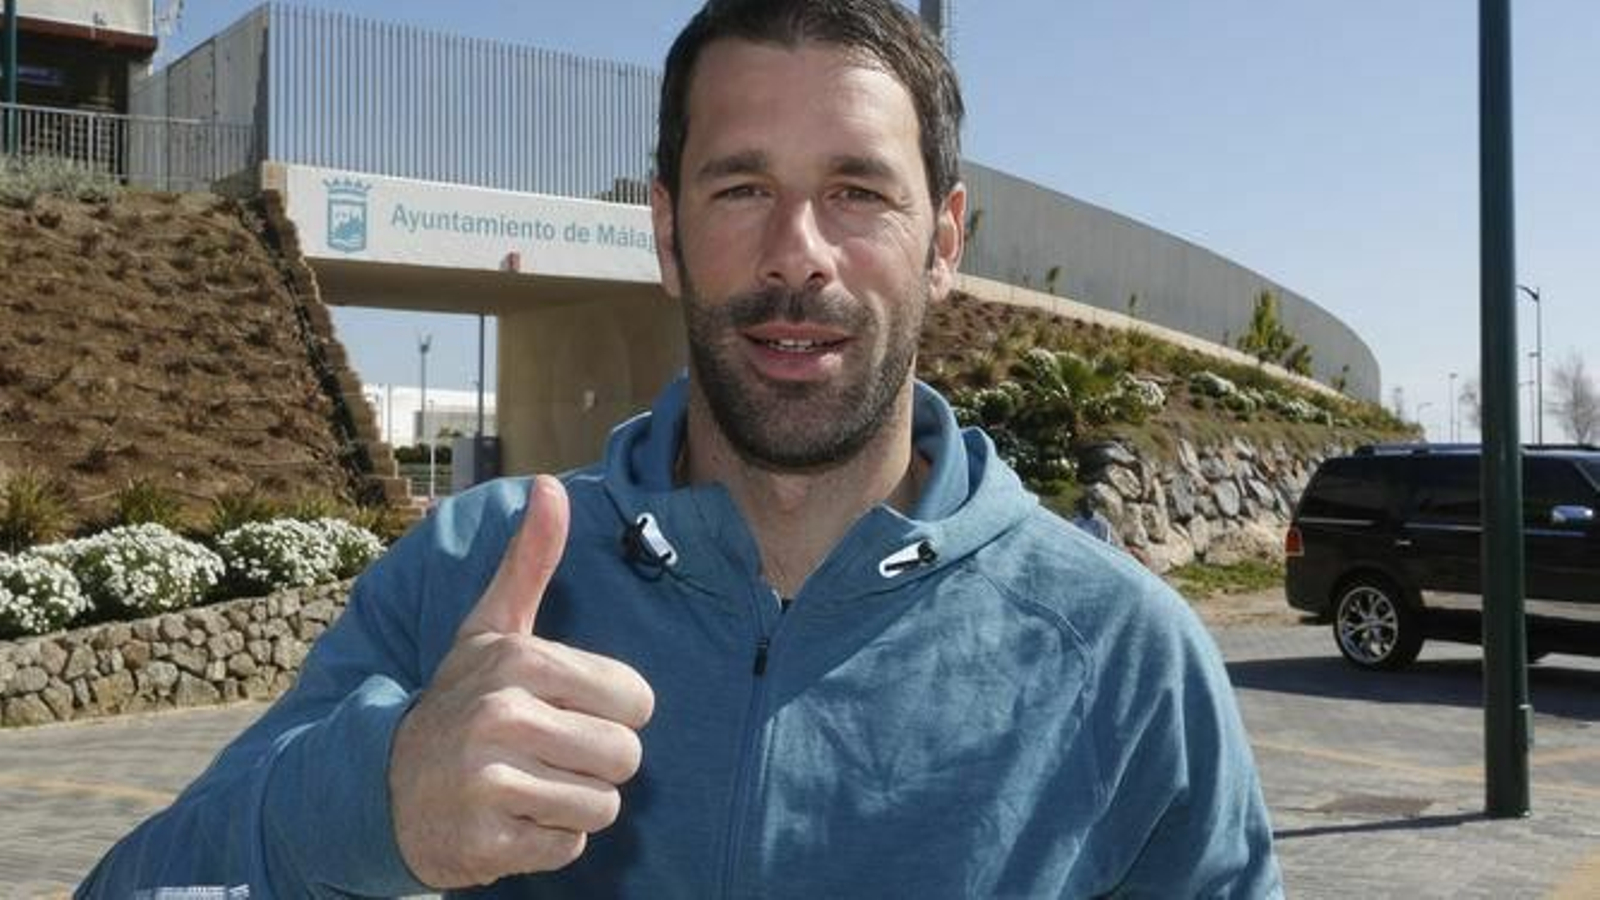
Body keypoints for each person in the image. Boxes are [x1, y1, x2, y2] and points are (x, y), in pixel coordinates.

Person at [81, 0, 1282, 896]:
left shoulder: (1126, 659)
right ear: (664, 232)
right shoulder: (473, 572)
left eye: (858, 191)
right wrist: (367, 801)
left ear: (946, 239)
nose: (797, 251)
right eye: (739, 187)